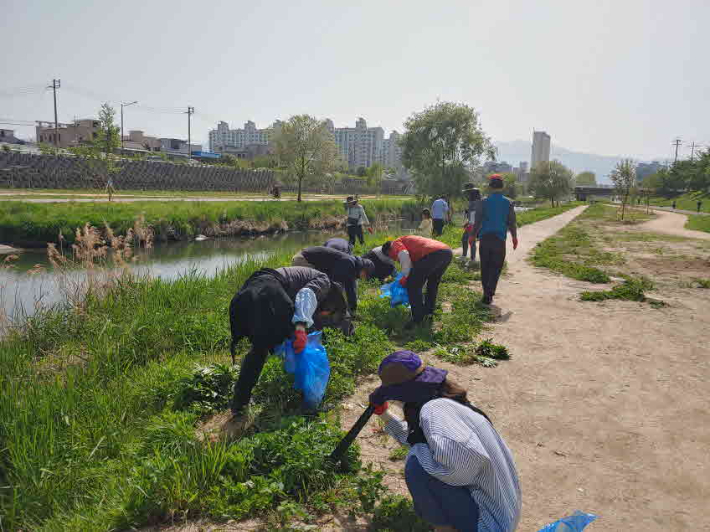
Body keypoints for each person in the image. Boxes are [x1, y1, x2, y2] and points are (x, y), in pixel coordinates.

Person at [369, 351, 521, 532]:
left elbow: (462, 466)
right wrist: (385, 415)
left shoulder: (433, 411)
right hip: (502, 512)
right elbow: (422, 443)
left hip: (489, 524)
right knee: (422, 458)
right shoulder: (446, 402)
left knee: (416, 467)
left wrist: (419, 455)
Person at [228, 267, 348, 424]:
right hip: (268, 292)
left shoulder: (299, 281)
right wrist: (300, 328)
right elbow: (306, 295)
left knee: (259, 350)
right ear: (331, 301)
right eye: (328, 311)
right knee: (301, 346)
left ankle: (239, 404)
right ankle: (310, 403)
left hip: (247, 296)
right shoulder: (324, 281)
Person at [382, 235, 452, 328]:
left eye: (391, 256)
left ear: (389, 251)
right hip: (446, 252)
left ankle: (417, 319)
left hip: (433, 254)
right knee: (432, 284)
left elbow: (403, 254)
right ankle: (428, 313)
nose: (394, 259)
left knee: (412, 285)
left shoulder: (395, 243)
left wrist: (406, 277)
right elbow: (418, 271)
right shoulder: (412, 248)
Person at [470, 174, 518, 305]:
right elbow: (512, 222)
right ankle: (490, 293)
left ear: (490, 187)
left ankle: (486, 294)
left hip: (485, 239)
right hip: (499, 240)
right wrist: (514, 237)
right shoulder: (508, 203)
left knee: (485, 266)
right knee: (496, 267)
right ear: (502, 187)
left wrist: (472, 236)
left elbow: (477, 221)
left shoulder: (483, 202)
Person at [292, 246, 374, 313]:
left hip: (306, 259)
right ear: (363, 269)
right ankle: (300, 313)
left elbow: (350, 287)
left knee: (319, 289)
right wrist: (351, 309)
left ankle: (308, 311)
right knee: (309, 290)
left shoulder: (353, 265)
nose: (364, 278)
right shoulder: (349, 264)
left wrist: (352, 307)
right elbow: (347, 287)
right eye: (366, 275)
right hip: (304, 260)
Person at [461, 185, 482, 261]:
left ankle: (472, 259)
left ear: (473, 195)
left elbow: (475, 215)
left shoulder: (475, 203)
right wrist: (467, 222)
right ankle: (465, 256)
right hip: (473, 224)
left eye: (469, 194)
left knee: (470, 240)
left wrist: (470, 224)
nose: (467, 196)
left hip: (474, 225)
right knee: (466, 240)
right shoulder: (474, 202)